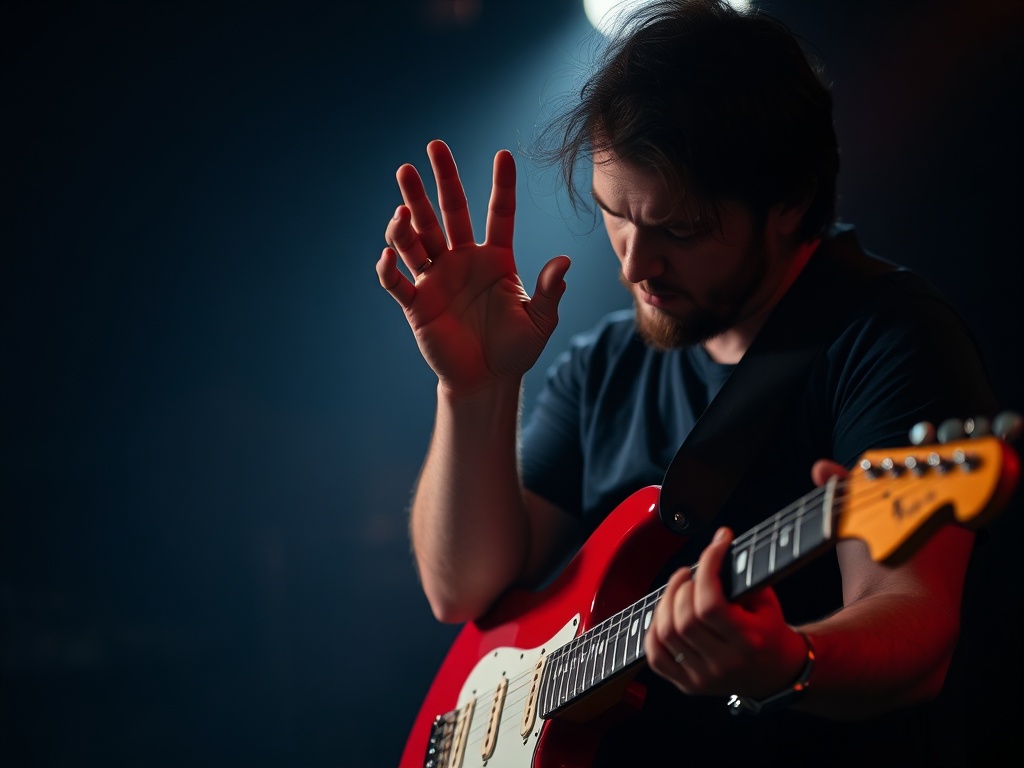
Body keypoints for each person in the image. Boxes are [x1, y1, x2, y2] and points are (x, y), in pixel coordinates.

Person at [376, 1, 998, 764]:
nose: (635, 265)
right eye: (615, 215)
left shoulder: (888, 339)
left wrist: (789, 661)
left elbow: (914, 619)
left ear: (788, 200)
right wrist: (472, 392)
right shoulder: (605, 363)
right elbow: (462, 593)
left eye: (679, 230)